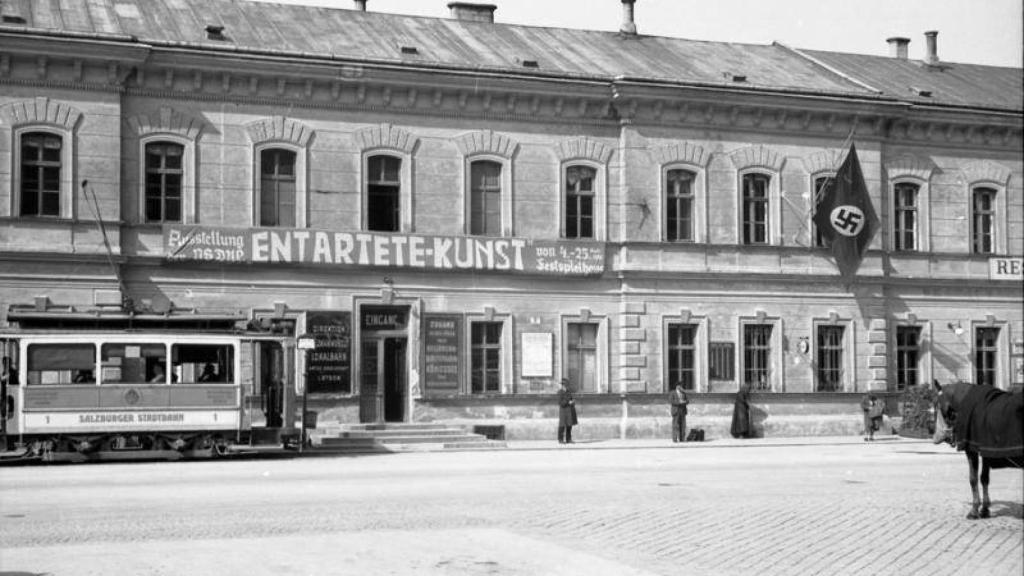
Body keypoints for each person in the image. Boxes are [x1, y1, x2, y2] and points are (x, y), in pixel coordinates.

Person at [557, 378, 578, 444]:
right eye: (565, 385)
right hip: (563, 411)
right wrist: (568, 402)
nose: (566, 386)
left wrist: (573, 402)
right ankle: (560, 440)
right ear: (562, 385)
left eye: (567, 385)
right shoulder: (560, 392)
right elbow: (560, 403)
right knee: (562, 425)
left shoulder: (569, 392)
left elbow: (571, 399)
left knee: (569, 425)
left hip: (570, 411)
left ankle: (568, 439)